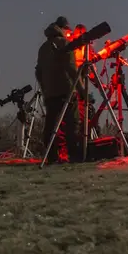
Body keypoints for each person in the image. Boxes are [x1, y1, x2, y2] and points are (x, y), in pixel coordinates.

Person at [35, 16, 84, 163]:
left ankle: (51, 156)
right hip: (66, 90)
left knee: (51, 124)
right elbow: (72, 69)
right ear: (62, 29)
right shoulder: (64, 43)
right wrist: (82, 90)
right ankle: (74, 155)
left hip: (50, 92)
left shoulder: (43, 48)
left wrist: (45, 89)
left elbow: (38, 72)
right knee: (72, 123)